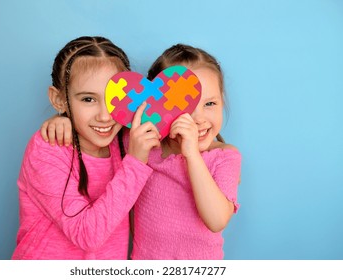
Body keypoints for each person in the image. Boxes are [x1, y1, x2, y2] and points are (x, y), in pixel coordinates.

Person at [41, 43, 241, 259]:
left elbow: (217, 220)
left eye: (210, 103)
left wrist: (191, 154)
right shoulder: (141, 143)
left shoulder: (225, 157)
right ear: (159, 106)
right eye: (184, 106)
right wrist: (63, 120)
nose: (198, 119)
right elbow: (97, 133)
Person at [12, 36, 160, 260]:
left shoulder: (126, 141)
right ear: (59, 99)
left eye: (115, 99)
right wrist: (136, 162)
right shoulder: (47, 149)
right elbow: (88, 235)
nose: (104, 116)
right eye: (88, 99)